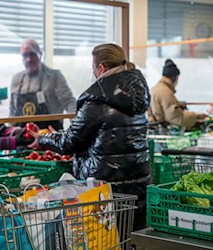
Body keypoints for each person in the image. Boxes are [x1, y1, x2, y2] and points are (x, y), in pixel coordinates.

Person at [30, 43, 151, 231]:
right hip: (139, 181)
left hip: (104, 187)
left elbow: (70, 142)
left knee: (106, 238)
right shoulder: (139, 97)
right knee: (130, 236)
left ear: (101, 68)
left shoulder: (97, 100)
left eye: (93, 68)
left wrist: (43, 139)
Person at [10, 38, 77, 130]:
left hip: (50, 134)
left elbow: (69, 102)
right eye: (25, 55)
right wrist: (10, 132)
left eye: (32, 54)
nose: (29, 59)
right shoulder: (16, 79)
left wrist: (77, 126)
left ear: (40, 55)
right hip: (22, 135)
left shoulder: (54, 76)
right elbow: (12, 111)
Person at [148, 59, 206, 129]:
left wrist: (178, 105)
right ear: (175, 78)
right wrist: (197, 116)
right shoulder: (165, 92)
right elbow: (177, 118)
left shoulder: (157, 88)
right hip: (163, 130)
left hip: (156, 128)